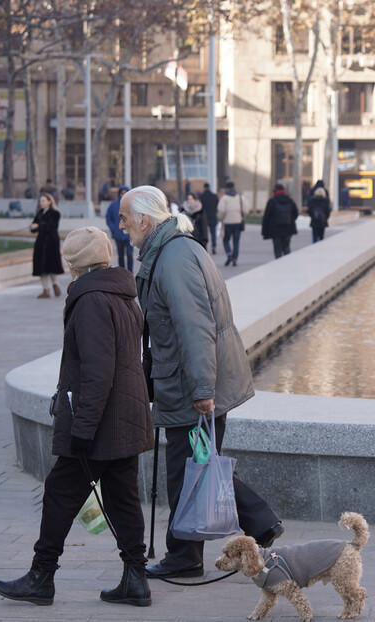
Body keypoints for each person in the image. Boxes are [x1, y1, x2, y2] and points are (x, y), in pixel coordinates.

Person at [115, 186, 283, 580]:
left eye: (125, 218)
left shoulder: (173, 258)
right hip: (187, 380)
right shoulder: (173, 249)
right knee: (197, 465)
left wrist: (203, 390)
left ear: (144, 220)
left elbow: (195, 329)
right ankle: (204, 546)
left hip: (192, 384)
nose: (121, 226)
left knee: (189, 468)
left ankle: (200, 549)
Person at [0, 227, 153, 608]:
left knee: (60, 494)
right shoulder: (122, 293)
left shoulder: (93, 300)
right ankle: (136, 578)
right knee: (122, 499)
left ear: (74, 264)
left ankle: (41, 577)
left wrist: (82, 429)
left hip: (100, 424)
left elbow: (98, 373)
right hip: (125, 417)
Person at [30, 192, 64, 298]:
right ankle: (45, 289)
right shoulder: (40, 212)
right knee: (41, 267)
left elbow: (51, 226)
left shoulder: (55, 213)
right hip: (40, 243)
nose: (41, 203)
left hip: (51, 242)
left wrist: (38, 226)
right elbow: (34, 226)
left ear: (49, 201)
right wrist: (33, 227)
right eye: (40, 201)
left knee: (51, 265)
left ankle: (55, 284)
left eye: (43, 201)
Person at [262, 183, 299, 257]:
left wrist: (264, 230)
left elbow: (266, 216)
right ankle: (287, 264)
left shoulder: (272, 201)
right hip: (288, 228)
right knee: (286, 247)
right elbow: (296, 213)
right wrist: (290, 220)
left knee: (277, 249)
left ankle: (278, 265)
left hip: (275, 229)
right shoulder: (289, 200)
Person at [105, 185, 133, 272]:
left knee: (129, 254)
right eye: (122, 193)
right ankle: (122, 272)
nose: (123, 195)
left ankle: (130, 272)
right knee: (120, 254)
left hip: (129, 235)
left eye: (125, 193)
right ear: (119, 194)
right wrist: (114, 229)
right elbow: (108, 218)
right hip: (118, 235)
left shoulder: (132, 205)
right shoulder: (113, 205)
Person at [217, 181, 246, 266]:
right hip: (238, 222)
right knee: (236, 241)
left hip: (228, 222)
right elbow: (245, 208)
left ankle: (229, 254)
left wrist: (222, 218)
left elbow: (221, 210)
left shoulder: (224, 198)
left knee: (226, 240)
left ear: (226, 188)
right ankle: (235, 258)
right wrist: (241, 216)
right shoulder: (240, 197)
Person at [199, 183, 220, 255]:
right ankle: (214, 246)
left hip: (204, 217)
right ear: (209, 187)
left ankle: (206, 247)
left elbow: (200, 207)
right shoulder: (214, 196)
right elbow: (217, 205)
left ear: (204, 188)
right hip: (213, 216)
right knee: (213, 233)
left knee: (205, 233)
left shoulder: (202, 196)